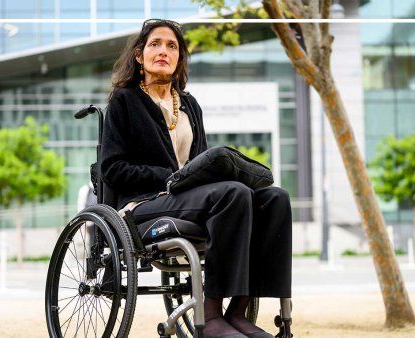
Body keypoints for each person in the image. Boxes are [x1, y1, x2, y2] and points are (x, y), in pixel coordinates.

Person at [100, 19, 292, 338]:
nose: (164, 50)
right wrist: (168, 177)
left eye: (172, 46)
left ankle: (238, 311)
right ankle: (212, 315)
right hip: (142, 206)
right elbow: (112, 168)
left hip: (192, 200)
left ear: (180, 58)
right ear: (139, 56)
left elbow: (201, 163)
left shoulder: (189, 105)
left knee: (275, 198)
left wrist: (194, 177)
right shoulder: (125, 101)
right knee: (231, 193)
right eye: (155, 44)